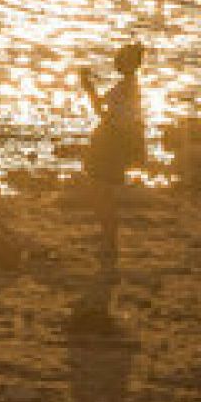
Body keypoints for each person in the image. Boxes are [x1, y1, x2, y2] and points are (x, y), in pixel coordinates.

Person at [79, 43, 146, 268]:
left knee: (101, 192)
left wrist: (89, 89)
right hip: (112, 141)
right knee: (102, 191)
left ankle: (109, 242)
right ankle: (108, 241)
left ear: (130, 63)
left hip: (111, 143)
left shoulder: (125, 88)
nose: (116, 61)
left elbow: (103, 114)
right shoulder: (126, 86)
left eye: (120, 58)